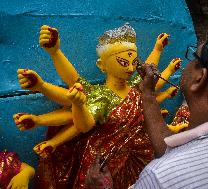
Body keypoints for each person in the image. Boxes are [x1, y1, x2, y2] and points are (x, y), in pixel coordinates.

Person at [87, 19, 208, 188]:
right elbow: (170, 151)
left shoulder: (161, 178)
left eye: (194, 56)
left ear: (200, 78)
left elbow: (174, 167)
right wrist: (147, 93)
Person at [15, 23, 180, 189]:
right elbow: (83, 122)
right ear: (102, 65)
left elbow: (150, 78)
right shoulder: (101, 96)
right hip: (104, 162)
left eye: (134, 62)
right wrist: (55, 54)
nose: (131, 68)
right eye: (123, 62)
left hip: (138, 156)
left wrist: (158, 49)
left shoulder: (137, 87)